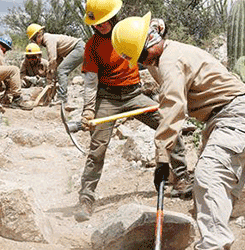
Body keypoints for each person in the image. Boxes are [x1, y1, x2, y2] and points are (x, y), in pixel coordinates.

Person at [111, 12, 245, 249]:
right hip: (223, 119)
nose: (143, 62)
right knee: (213, 192)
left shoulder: (170, 61)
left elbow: (173, 109)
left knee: (208, 176)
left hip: (236, 115)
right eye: (139, 59)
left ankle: (214, 245)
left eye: (142, 56)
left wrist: (162, 159)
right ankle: (215, 241)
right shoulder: (163, 51)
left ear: (151, 41)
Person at [73, 0, 192, 223]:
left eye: (104, 21)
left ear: (113, 16)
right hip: (108, 97)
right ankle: (86, 199)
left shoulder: (129, 30)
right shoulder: (92, 47)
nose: (100, 26)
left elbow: (154, 27)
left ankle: (182, 179)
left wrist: (157, 25)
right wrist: (89, 111)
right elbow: (90, 82)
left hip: (134, 94)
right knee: (97, 148)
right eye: (96, 24)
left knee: (168, 125)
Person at [26, 23, 84, 105]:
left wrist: (50, 74)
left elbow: (52, 59)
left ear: (38, 35)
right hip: (78, 48)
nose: (34, 42)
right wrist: (53, 75)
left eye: (33, 40)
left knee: (62, 71)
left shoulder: (48, 39)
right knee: (59, 71)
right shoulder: (47, 41)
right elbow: (58, 59)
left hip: (79, 48)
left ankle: (62, 98)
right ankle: (55, 96)